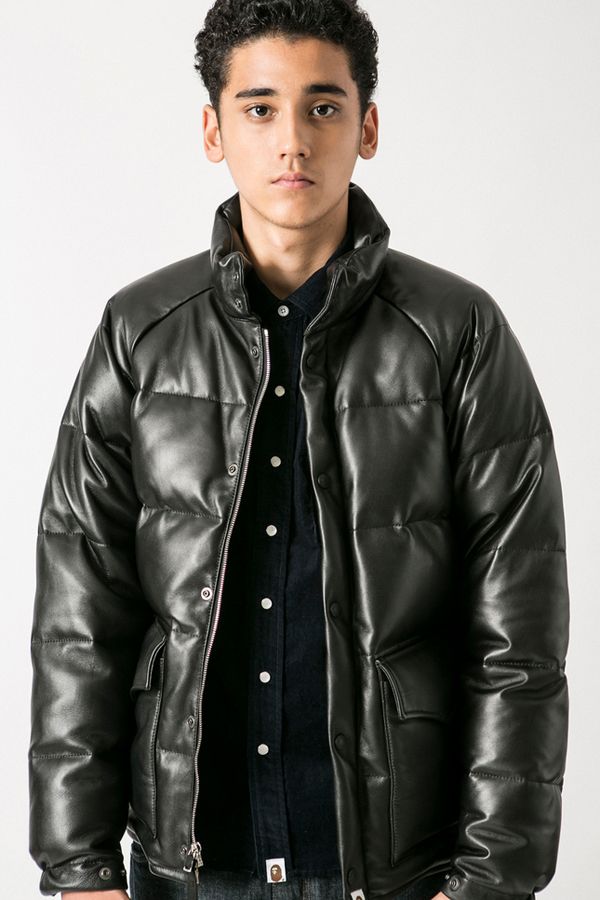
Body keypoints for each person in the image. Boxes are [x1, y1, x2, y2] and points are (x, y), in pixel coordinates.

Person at [28, 1, 570, 899]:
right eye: (259, 108)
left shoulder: (458, 333)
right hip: (188, 869)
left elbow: (519, 634)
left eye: (323, 107)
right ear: (214, 130)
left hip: (398, 871)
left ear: (368, 128)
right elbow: (79, 623)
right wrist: (78, 868)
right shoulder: (140, 334)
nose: (292, 142)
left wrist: (490, 878)